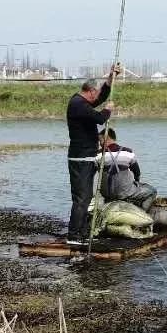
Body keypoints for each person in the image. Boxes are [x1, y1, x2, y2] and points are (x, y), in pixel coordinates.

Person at [65, 66, 118, 246]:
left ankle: (81, 231)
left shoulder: (82, 102)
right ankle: (73, 236)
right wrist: (108, 110)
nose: (97, 98)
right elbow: (99, 118)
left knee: (86, 197)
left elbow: (101, 98)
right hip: (80, 159)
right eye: (95, 94)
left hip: (85, 157)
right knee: (81, 198)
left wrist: (110, 79)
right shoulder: (77, 105)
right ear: (90, 91)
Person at [101, 129, 156, 209]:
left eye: (100, 140)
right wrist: (136, 182)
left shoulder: (99, 154)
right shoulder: (127, 152)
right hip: (124, 193)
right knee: (152, 191)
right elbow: (137, 172)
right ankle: (143, 213)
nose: (100, 143)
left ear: (106, 138)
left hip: (106, 194)